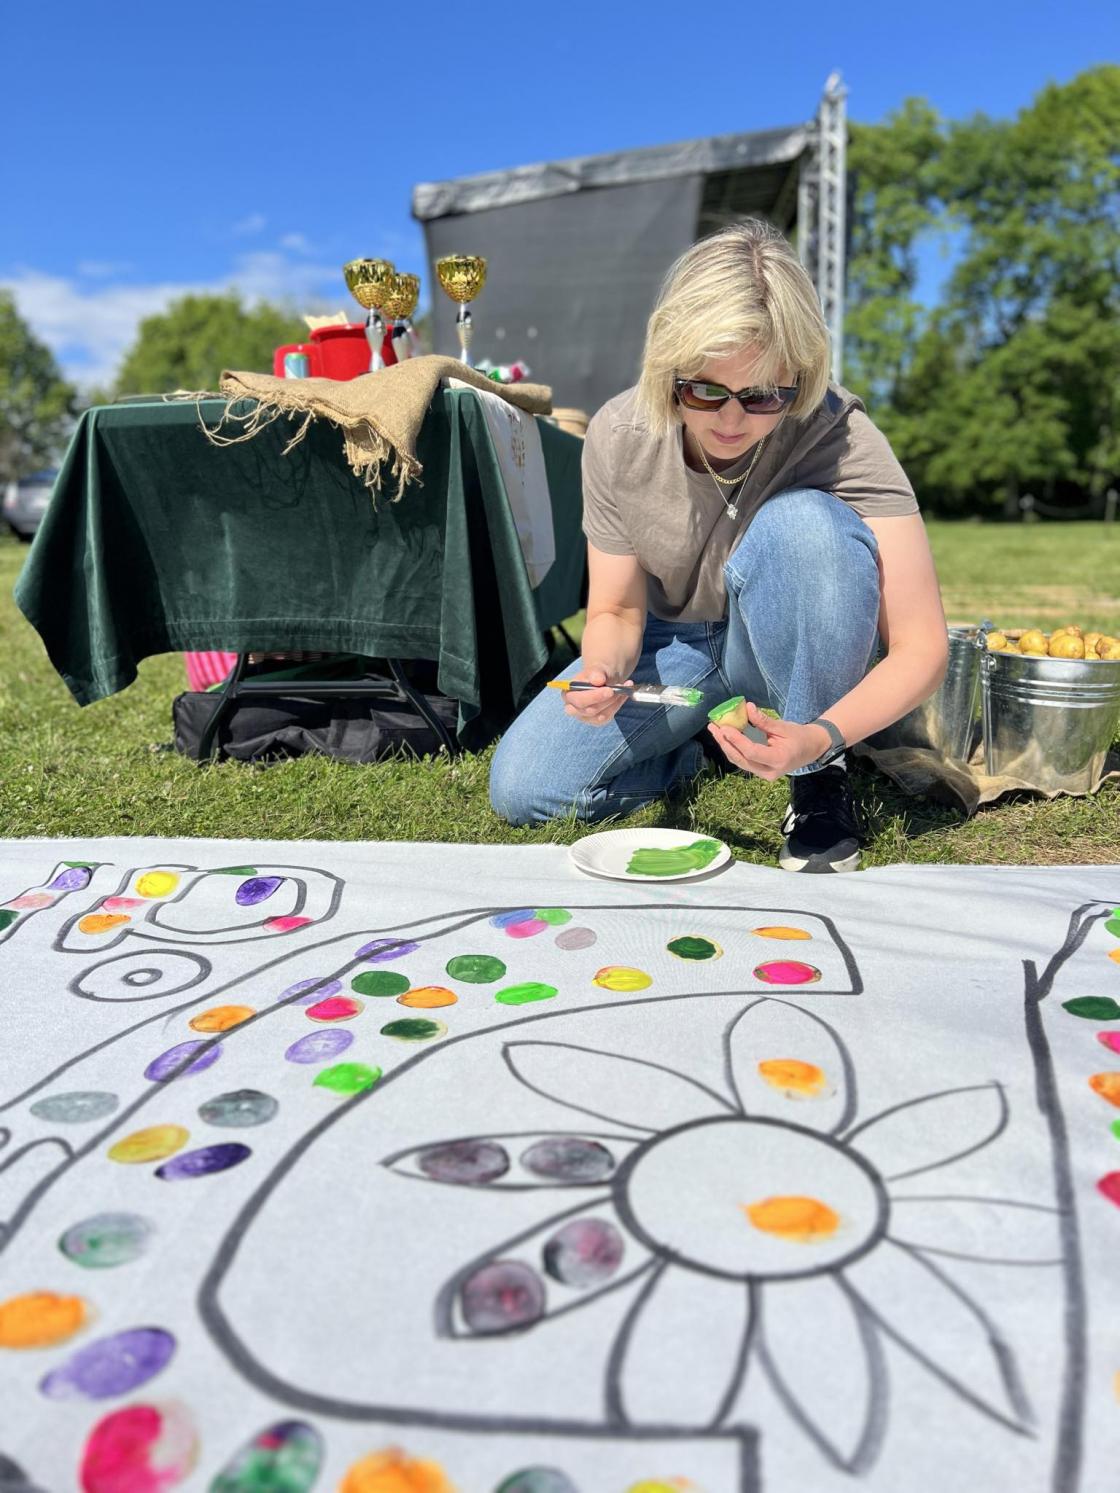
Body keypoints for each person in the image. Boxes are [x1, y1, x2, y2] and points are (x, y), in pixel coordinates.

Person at [490, 219, 948, 872]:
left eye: (763, 396)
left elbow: (922, 646)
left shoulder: (839, 433)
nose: (732, 421)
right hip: (674, 648)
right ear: (667, 368)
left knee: (806, 525)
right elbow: (616, 610)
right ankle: (698, 749)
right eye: (704, 390)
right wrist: (602, 671)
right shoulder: (620, 434)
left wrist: (821, 735)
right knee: (525, 787)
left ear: (801, 377)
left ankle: (819, 778)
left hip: (786, 650)